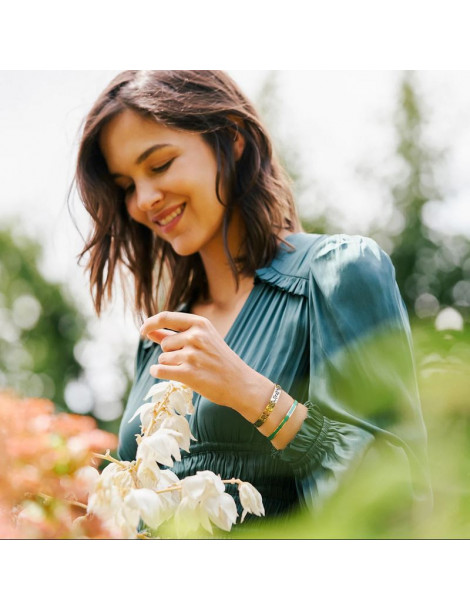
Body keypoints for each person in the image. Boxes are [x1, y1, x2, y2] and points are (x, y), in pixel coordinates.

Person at [74, 70, 432, 530]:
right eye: (126, 186)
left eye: (159, 164)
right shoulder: (160, 340)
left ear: (233, 138)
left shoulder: (338, 273)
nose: (144, 199)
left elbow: (398, 501)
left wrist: (252, 394)